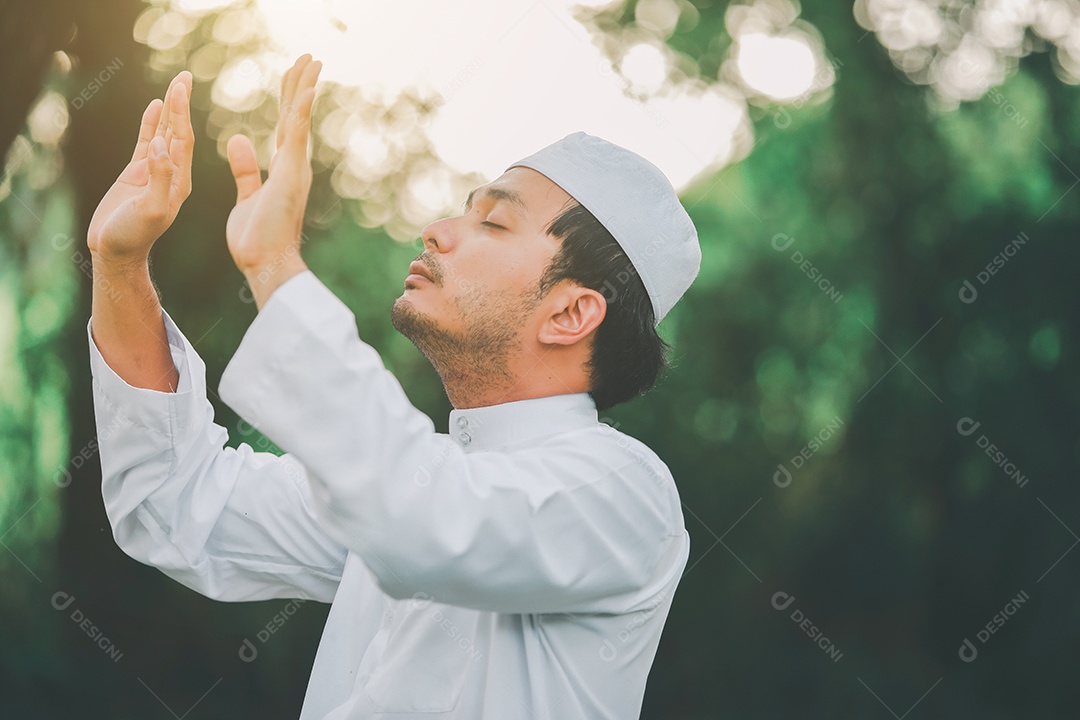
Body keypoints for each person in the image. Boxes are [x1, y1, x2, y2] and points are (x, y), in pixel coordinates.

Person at [86, 54, 701, 719]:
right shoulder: (417, 480)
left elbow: (423, 524)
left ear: (571, 313)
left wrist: (275, 266)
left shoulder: (621, 492)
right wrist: (119, 264)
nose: (435, 230)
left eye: (493, 223)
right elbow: (172, 503)